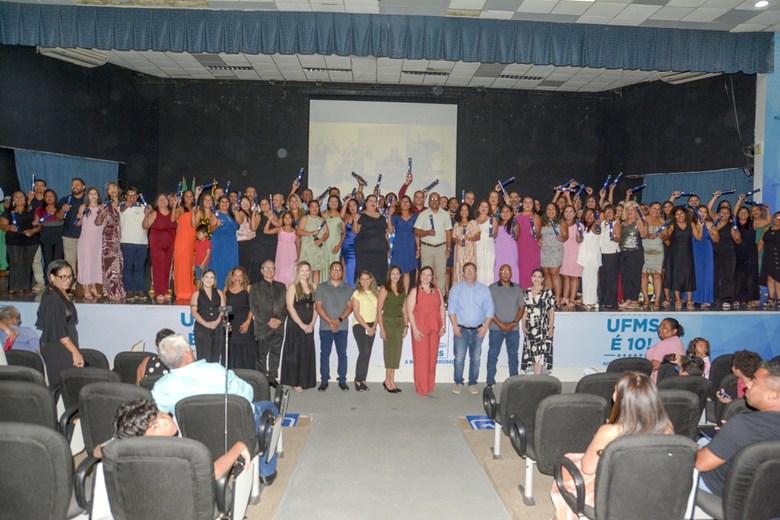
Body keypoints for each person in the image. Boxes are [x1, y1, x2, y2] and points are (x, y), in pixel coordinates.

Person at [150, 334, 278, 483]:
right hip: (237, 430)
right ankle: (266, 472)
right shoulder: (215, 371)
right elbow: (247, 394)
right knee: (270, 408)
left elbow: (156, 417)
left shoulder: (160, 388)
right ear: (188, 355)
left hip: (195, 439)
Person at [551, 371, 674, 520]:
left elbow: (588, 469)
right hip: (655, 493)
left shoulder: (610, 432)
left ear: (618, 398)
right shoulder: (667, 427)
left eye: (615, 389)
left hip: (617, 498)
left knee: (568, 468)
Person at [96, 399, 251, 482]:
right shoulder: (183, 453)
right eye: (155, 426)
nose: (165, 420)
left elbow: (97, 451)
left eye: (159, 413)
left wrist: (120, 443)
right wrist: (238, 446)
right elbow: (214, 473)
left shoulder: (128, 455)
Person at [696, 360, 780, 497]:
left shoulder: (742, 424)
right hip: (767, 496)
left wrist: (689, 448)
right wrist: (728, 434)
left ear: (772, 394)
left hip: (723, 492)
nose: (747, 385)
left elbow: (700, 464)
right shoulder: (743, 426)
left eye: (755, 382)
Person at [36, 260, 82, 390]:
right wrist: (75, 352)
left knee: (64, 386)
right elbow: (61, 333)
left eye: (70, 276)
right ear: (52, 277)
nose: (67, 280)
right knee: (63, 386)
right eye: (63, 277)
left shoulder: (58, 293)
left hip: (60, 346)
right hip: (59, 348)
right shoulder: (54, 299)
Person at [448, 262, 494, 395]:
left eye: (472, 270)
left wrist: (485, 327)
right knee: (459, 358)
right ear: (463, 273)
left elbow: (490, 309)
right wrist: (454, 326)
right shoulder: (456, 289)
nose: (469, 272)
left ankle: (473, 383)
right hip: (460, 330)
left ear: (476, 272)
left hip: (477, 331)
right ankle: (458, 382)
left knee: (476, 359)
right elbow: (452, 308)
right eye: (467, 270)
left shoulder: (484, 289)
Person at [314, 261, 354, 391]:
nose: (336, 271)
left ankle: (342, 380)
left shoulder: (348, 288)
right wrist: (331, 322)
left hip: (342, 327)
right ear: (330, 271)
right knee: (325, 354)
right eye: (334, 269)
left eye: (339, 269)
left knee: (342, 354)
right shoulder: (321, 287)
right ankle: (324, 380)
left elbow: (350, 307)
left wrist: (339, 320)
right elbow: (318, 307)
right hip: (325, 327)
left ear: (342, 272)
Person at [406, 266, 445, 396]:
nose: (426, 277)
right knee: (422, 360)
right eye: (424, 274)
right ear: (420, 276)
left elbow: (442, 308)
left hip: (435, 328)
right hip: (420, 329)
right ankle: (422, 387)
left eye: (429, 275)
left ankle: (429, 385)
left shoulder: (437, 290)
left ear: (432, 277)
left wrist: (443, 326)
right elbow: (409, 311)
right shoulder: (415, 291)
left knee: (432, 359)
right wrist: (415, 330)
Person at [249, 260, 288, 386]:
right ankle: (262, 380)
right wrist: (268, 321)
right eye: (266, 268)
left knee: (275, 354)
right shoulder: (255, 287)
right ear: (261, 271)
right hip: (263, 326)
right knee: (261, 355)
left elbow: (286, 306)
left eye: (272, 268)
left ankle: (272, 378)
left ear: (275, 271)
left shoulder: (282, 287)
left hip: (278, 326)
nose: (269, 271)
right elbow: (254, 307)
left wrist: (280, 320)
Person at [486, 265, 525, 388]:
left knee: (513, 356)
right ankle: (490, 382)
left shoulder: (518, 289)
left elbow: (522, 308)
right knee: (492, 355)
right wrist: (500, 324)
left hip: (513, 329)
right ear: (499, 273)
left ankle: (514, 382)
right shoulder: (492, 288)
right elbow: (489, 308)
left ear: (511, 274)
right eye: (503, 271)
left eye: (508, 271)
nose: (506, 274)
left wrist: (513, 323)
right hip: (496, 328)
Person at [280, 262, 316, 392]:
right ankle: (294, 382)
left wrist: (311, 324)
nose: (305, 273)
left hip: (309, 325)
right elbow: (290, 307)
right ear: (298, 272)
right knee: (295, 352)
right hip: (295, 325)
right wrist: (302, 325)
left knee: (306, 351)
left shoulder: (314, 287)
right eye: (302, 270)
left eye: (307, 270)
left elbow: (316, 307)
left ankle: (305, 380)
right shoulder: (293, 286)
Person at [662, 206, 701, 309]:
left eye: (681, 213)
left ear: (685, 214)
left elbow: (699, 237)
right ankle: (678, 300)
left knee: (688, 276)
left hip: (687, 253)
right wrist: (663, 232)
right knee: (676, 276)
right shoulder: (672, 225)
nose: (680, 216)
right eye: (677, 214)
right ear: (674, 216)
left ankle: (689, 301)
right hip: (674, 254)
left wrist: (700, 227)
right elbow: (666, 237)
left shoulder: (691, 224)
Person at [0, 191, 39, 294]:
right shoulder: (8, 212)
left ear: (25, 199)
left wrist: (33, 230)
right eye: (16, 197)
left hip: (31, 241)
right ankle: (13, 287)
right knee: (15, 263)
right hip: (14, 241)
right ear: (13, 200)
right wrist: (9, 227)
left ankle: (26, 286)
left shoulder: (32, 210)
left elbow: (38, 225)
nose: (19, 199)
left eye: (21, 197)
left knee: (27, 263)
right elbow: (2, 224)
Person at [414, 192, 452, 295]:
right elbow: (416, 231)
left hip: (441, 248)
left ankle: (440, 297)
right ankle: (425, 295)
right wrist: (427, 233)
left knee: (441, 274)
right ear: (428, 201)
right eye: (432, 199)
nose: (434, 201)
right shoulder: (423, 214)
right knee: (425, 274)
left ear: (439, 201)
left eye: (436, 199)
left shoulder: (445, 214)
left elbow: (448, 233)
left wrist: (448, 249)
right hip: (427, 248)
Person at [377, 265, 407, 393]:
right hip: (388, 323)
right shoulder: (384, 289)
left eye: (397, 274)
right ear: (389, 275)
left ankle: (391, 380)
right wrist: (382, 329)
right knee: (389, 352)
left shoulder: (402, 290)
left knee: (396, 352)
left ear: (400, 276)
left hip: (399, 323)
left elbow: (404, 309)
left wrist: (406, 326)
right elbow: (379, 310)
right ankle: (387, 380)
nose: (395, 276)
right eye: (393, 273)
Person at [522, 269, 556, 375]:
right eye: (535, 276)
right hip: (530, 327)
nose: (536, 279)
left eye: (539, 277)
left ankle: (537, 378)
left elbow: (551, 311)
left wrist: (551, 327)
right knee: (533, 352)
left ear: (543, 279)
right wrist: (523, 325)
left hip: (543, 327)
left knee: (541, 353)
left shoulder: (548, 292)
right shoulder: (526, 292)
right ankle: (535, 377)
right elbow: (524, 311)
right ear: (531, 278)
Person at [144, 193, 178, 302]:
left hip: (170, 244)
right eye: (160, 199)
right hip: (157, 244)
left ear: (168, 202)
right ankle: (158, 292)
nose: (163, 201)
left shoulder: (173, 213)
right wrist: (146, 215)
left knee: (167, 268)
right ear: (157, 203)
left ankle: (165, 291)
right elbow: (145, 226)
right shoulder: (154, 213)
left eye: (164, 199)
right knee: (158, 268)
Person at [96, 182, 125, 301]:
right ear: (107, 192)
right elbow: (98, 222)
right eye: (109, 189)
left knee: (120, 265)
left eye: (114, 187)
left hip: (123, 237)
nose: (112, 190)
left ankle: (119, 289)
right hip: (109, 238)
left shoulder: (124, 204)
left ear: (118, 190)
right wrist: (101, 213)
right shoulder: (105, 205)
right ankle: (112, 291)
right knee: (110, 266)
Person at [350, 271, 379, 392]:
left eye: (367, 278)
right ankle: (358, 379)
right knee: (364, 351)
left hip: (373, 325)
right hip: (360, 325)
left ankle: (363, 380)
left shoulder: (376, 293)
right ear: (359, 281)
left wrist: (374, 326)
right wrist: (367, 327)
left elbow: (378, 312)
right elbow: (356, 313)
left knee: (368, 353)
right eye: (363, 279)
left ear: (371, 280)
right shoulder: (356, 293)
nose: (365, 281)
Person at [120, 188, 150, 301]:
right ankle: (128, 290)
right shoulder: (122, 206)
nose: (132, 196)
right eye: (129, 194)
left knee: (140, 268)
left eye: (134, 194)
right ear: (126, 196)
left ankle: (139, 290)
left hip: (141, 243)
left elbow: (146, 226)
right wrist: (126, 204)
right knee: (127, 268)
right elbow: (122, 209)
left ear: (137, 196)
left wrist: (146, 240)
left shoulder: (143, 207)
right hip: (127, 242)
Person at [190, 269, 225, 363]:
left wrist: (217, 322)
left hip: (217, 328)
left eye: (211, 277)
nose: (209, 280)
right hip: (202, 329)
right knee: (203, 357)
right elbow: (194, 312)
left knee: (215, 357)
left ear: (214, 280)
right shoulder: (196, 294)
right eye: (207, 277)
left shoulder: (219, 293)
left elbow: (222, 310)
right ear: (202, 279)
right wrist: (206, 324)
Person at [353, 194, 389, 286]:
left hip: (381, 252)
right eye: (370, 201)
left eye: (375, 201)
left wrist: (388, 248)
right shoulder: (361, 216)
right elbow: (355, 231)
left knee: (380, 278)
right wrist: (355, 221)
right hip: (365, 253)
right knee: (365, 276)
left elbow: (385, 233)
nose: (373, 203)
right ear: (366, 203)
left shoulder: (382, 217)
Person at [75, 187, 104, 300]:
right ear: (87, 196)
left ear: (98, 196)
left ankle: (93, 287)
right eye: (90, 194)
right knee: (86, 263)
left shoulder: (102, 207)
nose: (93, 196)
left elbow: (103, 223)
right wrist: (79, 218)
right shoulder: (84, 207)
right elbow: (78, 224)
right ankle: (86, 288)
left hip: (97, 240)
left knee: (95, 263)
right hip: (86, 240)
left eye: (95, 194)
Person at [712, 202, 742, 309]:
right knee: (714, 276)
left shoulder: (732, 226)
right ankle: (715, 298)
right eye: (722, 212)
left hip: (728, 254)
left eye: (727, 213)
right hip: (714, 253)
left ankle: (727, 299)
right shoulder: (713, 225)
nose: (724, 214)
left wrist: (738, 237)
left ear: (730, 215)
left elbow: (738, 241)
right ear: (718, 214)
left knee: (727, 277)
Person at [618, 201, 647, 310]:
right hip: (623, 253)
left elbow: (643, 235)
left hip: (635, 253)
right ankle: (627, 299)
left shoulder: (638, 221)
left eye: (632, 210)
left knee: (634, 277)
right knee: (625, 277)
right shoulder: (623, 223)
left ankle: (634, 300)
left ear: (636, 211)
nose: (630, 212)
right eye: (628, 210)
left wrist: (645, 224)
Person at [224, 267, 255, 370]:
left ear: (243, 277)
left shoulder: (248, 288)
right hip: (231, 325)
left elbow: (253, 307)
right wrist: (226, 323)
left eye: (240, 276)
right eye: (235, 275)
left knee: (245, 350)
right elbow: (223, 308)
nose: (237, 278)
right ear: (231, 277)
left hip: (245, 324)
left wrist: (248, 322)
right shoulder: (226, 289)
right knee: (231, 350)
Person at [57, 178, 85, 292]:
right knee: (69, 263)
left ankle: (85, 285)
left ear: (83, 187)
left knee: (85, 262)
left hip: (85, 236)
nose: (74, 187)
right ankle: (70, 286)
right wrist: (62, 210)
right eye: (73, 185)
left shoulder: (88, 200)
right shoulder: (65, 199)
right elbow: (59, 217)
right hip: (68, 235)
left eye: (77, 185)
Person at [170, 188, 197, 301]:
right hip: (182, 240)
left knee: (192, 265)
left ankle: (192, 290)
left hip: (193, 240)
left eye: (191, 196)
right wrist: (174, 206)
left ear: (194, 198)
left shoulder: (196, 209)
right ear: (183, 198)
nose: (189, 198)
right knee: (182, 265)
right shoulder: (181, 208)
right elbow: (172, 219)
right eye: (187, 196)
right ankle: (182, 291)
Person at [387, 195, 418, 290]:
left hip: (410, 245)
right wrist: (389, 216)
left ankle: (406, 295)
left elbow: (417, 234)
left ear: (410, 204)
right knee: (396, 270)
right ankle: (395, 292)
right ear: (399, 204)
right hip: (399, 244)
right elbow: (390, 230)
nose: (405, 204)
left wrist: (418, 248)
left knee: (407, 271)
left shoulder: (415, 216)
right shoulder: (395, 216)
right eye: (403, 202)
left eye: (407, 202)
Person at [539, 203, 568, 305]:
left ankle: (557, 299)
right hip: (544, 251)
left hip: (556, 250)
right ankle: (548, 298)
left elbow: (566, 235)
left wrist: (562, 237)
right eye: (548, 209)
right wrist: (539, 238)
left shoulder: (561, 222)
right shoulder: (542, 222)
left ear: (556, 211)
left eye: (553, 209)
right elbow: (539, 234)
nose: (550, 211)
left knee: (554, 274)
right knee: (546, 274)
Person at [209, 196, 239, 291]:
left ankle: (230, 291)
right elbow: (211, 230)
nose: (224, 204)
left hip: (231, 245)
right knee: (219, 268)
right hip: (219, 244)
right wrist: (216, 225)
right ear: (218, 203)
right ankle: (218, 291)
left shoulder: (231, 215)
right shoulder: (216, 213)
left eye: (226, 202)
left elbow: (239, 223)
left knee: (230, 268)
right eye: (222, 202)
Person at [298, 200, 329, 286]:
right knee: (308, 270)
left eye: (316, 206)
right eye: (312, 206)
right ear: (308, 208)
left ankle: (315, 290)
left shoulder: (322, 220)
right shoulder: (305, 218)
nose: (315, 208)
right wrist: (311, 233)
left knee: (317, 270)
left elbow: (327, 233)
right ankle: (306, 289)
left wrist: (321, 240)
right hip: (308, 248)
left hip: (318, 248)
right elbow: (299, 231)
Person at [248, 198, 278, 285]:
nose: (264, 206)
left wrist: (270, 218)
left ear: (270, 205)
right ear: (260, 207)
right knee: (259, 268)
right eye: (262, 204)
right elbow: (253, 228)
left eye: (266, 204)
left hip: (271, 246)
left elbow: (279, 226)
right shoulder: (258, 216)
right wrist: (253, 214)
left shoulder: (274, 215)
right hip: (260, 246)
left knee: (271, 267)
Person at [645, 317, 686, 382]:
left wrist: (640, 372)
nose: (660, 329)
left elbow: (655, 366)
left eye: (664, 327)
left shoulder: (665, 344)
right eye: (660, 326)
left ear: (674, 331)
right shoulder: (678, 341)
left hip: (657, 382)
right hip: (671, 381)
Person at [33, 189, 63, 275]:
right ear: (44, 198)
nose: (49, 198)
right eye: (47, 196)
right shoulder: (40, 209)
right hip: (45, 238)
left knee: (58, 261)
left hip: (59, 238)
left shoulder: (60, 209)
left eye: (51, 196)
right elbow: (37, 225)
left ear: (55, 197)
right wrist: (35, 224)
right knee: (48, 261)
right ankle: (48, 281)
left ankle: (58, 280)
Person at [691, 205, 716, 310]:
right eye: (700, 211)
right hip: (694, 251)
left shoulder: (710, 224)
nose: (702, 213)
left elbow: (716, 239)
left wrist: (713, 233)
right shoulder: (691, 223)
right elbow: (697, 238)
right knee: (694, 274)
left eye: (705, 212)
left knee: (706, 274)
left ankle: (706, 299)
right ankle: (692, 298)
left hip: (706, 252)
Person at [576, 208, 601, 309]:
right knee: (587, 279)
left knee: (592, 279)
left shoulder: (595, 226)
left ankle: (592, 302)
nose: (588, 216)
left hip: (592, 256)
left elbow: (598, 231)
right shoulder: (587, 228)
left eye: (591, 214)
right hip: (587, 256)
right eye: (586, 215)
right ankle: (588, 301)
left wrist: (598, 224)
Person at [516, 197, 542, 289]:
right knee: (520, 269)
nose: (527, 204)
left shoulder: (535, 217)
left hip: (531, 247)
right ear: (522, 204)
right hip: (519, 247)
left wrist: (535, 233)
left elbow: (539, 233)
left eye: (530, 202)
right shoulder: (516, 216)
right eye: (525, 202)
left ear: (533, 205)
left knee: (530, 269)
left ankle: (531, 292)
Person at [598, 205, 621, 309]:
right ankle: (603, 299)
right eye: (606, 212)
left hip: (612, 254)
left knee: (611, 278)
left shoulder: (616, 224)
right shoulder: (602, 224)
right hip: (602, 253)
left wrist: (614, 237)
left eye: (611, 212)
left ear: (614, 214)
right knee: (603, 278)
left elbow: (619, 238)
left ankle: (611, 301)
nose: (608, 214)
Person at [452, 203, 480, 286]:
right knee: (459, 269)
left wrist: (470, 238)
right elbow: (453, 238)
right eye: (462, 210)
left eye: (466, 210)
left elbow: (478, 237)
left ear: (469, 212)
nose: (464, 212)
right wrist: (457, 240)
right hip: (459, 250)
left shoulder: (472, 223)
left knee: (469, 268)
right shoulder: (456, 224)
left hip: (469, 250)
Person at [560, 205, 582, 308]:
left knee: (573, 276)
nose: (568, 213)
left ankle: (572, 299)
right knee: (565, 276)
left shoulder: (579, 225)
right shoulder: (561, 225)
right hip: (563, 253)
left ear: (574, 214)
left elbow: (580, 240)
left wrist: (579, 235)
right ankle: (565, 297)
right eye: (566, 211)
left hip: (574, 253)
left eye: (570, 211)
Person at [759, 212, 780, 309]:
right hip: (768, 256)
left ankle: (779, 298)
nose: (777, 220)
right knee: (769, 277)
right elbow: (761, 242)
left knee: (777, 278)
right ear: (773, 218)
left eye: (779, 218)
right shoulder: (767, 229)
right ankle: (771, 298)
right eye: (776, 217)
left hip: (778, 256)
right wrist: (758, 255)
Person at [474, 200, 497, 286]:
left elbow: (496, 234)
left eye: (486, 207)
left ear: (489, 209)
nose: (483, 208)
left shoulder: (492, 219)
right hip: (477, 247)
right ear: (478, 208)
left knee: (488, 270)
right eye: (482, 206)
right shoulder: (474, 220)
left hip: (488, 248)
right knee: (478, 270)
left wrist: (494, 232)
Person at [339, 198, 360, 289]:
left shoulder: (361, 216)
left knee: (354, 268)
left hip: (357, 246)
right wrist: (346, 201)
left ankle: (354, 288)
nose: (352, 207)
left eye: (354, 205)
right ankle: (345, 289)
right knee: (345, 267)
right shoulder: (347, 216)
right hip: (346, 245)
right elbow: (341, 215)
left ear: (357, 206)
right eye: (349, 206)